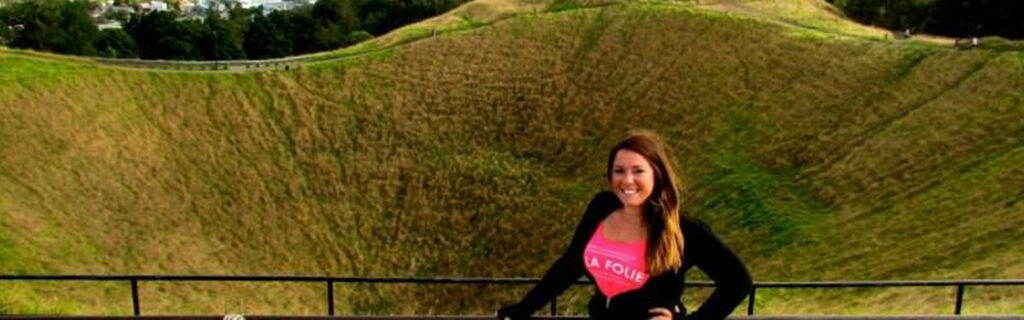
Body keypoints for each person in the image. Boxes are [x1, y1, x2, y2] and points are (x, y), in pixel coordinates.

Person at [497, 131, 752, 320]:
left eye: (638, 171)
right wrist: (521, 311)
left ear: (657, 174)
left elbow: (737, 282)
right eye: (619, 171)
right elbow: (570, 265)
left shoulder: (683, 229)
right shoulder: (602, 207)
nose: (627, 180)